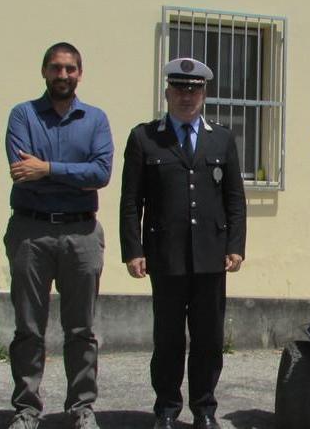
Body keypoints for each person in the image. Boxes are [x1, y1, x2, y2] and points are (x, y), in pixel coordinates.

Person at [119, 58, 246, 429]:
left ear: (204, 94)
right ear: (167, 93)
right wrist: (134, 250)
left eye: (193, 90)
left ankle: (204, 409)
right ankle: (167, 409)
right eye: (179, 89)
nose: (186, 96)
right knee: (168, 338)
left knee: (209, 338)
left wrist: (236, 245)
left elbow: (234, 198)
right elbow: (131, 201)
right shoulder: (145, 137)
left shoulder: (221, 138)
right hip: (166, 254)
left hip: (211, 254)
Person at [3, 42, 113, 429]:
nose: (63, 75)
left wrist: (47, 169)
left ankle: (82, 408)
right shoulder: (23, 115)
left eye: (70, 68)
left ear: (80, 73)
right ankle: (27, 409)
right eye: (55, 68)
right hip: (30, 231)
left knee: (81, 329)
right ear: (44, 71)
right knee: (28, 328)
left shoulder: (95, 119)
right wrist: (73, 175)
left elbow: (100, 174)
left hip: (81, 233)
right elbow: (21, 172)